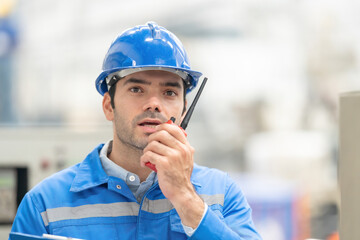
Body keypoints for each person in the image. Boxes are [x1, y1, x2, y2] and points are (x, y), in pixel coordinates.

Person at [9, 22, 262, 240]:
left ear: (184, 110)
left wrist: (186, 199)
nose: (153, 103)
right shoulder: (44, 205)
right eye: (137, 89)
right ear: (109, 106)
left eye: (170, 92)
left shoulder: (222, 194)